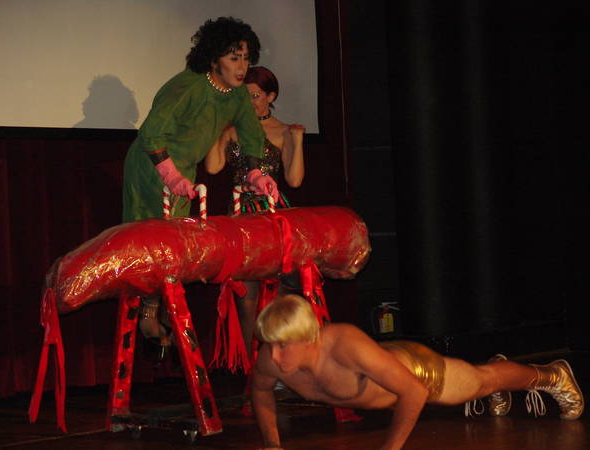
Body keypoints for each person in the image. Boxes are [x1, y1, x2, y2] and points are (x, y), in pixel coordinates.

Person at [121, 17, 278, 358]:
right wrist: (170, 175)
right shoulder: (188, 86)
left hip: (184, 171)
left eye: (246, 58)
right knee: (153, 241)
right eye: (234, 58)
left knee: (176, 246)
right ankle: (149, 316)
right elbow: (151, 134)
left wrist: (256, 173)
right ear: (213, 58)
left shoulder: (236, 94)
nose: (242, 67)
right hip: (153, 165)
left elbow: (251, 134)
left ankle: (164, 314)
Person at [251, 294, 584, 450]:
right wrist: (272, 444)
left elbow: (414, 392)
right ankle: (499, 376)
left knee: (484, 381)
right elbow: (260, 390)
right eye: (270, 345)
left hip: (417, 372)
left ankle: (552, 376)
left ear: (308, 338)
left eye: (284, 345)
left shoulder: (345, 346)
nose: (274, 356)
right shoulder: (271, 358)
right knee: (483, 380)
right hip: (386, 379)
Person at [204, 66, 305, 359]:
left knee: (280, 297)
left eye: (255, 96)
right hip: (241, 215)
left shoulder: (283, 131)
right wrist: (218, 130)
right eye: (243, 96)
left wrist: (297, 141)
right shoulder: (233, 129)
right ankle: (254, 366)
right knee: (246, 299)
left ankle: (282, 361)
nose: (249, 102)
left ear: (270, 96)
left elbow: (295, 180)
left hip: (272, 215)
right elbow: (213, 167)